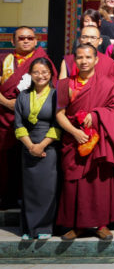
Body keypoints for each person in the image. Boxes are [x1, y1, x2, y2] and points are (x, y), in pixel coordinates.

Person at [55, 44, 114, 241]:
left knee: (99, 184)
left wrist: (96, 115)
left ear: (96, 60)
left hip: (99, 142)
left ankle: (102, 225)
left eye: (88, 57)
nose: (84, 61)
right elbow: (59, 114)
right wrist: (75, 133)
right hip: (74, 141)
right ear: (74, 61)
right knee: (73, 184)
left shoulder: (106, 84)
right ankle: (76, 226)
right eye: (79, 58)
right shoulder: (64, 85)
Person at [0, 27, 57, 208]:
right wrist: (6, 103)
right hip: (5, 115)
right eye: (21, 38)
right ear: (13, 41)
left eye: (30, 38)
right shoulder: (4, 60)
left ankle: (28, 199)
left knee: (30, 158)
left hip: (34, 120)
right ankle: (6, 197)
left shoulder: (42, 61)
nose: (26, 41)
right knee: (6, 159)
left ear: (36, 41)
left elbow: (51, 88)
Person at [14, 57, 59, 240]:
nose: (41, 76)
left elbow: (58, 124)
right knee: (29, 189)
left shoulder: (57, 95)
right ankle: (28, 228)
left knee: (47, 189)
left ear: (51, 74)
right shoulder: (22, 95)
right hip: (28, 147)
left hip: (48, 148)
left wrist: (41, 145)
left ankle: (45, 228)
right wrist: (31, 146)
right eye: (36, 72)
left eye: (45, 72)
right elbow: (18, 124)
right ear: (30, 74)